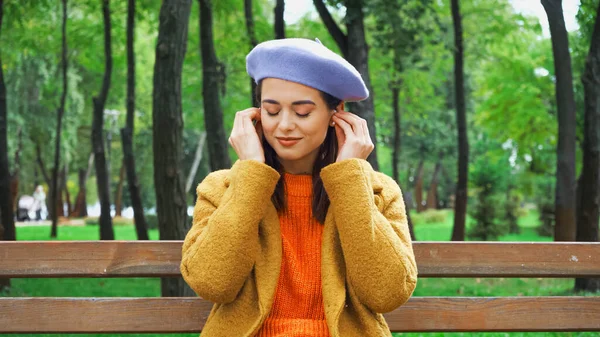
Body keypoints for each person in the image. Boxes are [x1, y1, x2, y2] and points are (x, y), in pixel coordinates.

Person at [180, 38, 417, 337]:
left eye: (302, 112)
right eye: (272, 111)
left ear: (337, 113)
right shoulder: (222, 188)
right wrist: (252, 173)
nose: (285, 125)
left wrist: (348, 180)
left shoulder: (376, 191)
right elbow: (212, 283)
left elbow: (387, 294)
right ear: (256, 113)